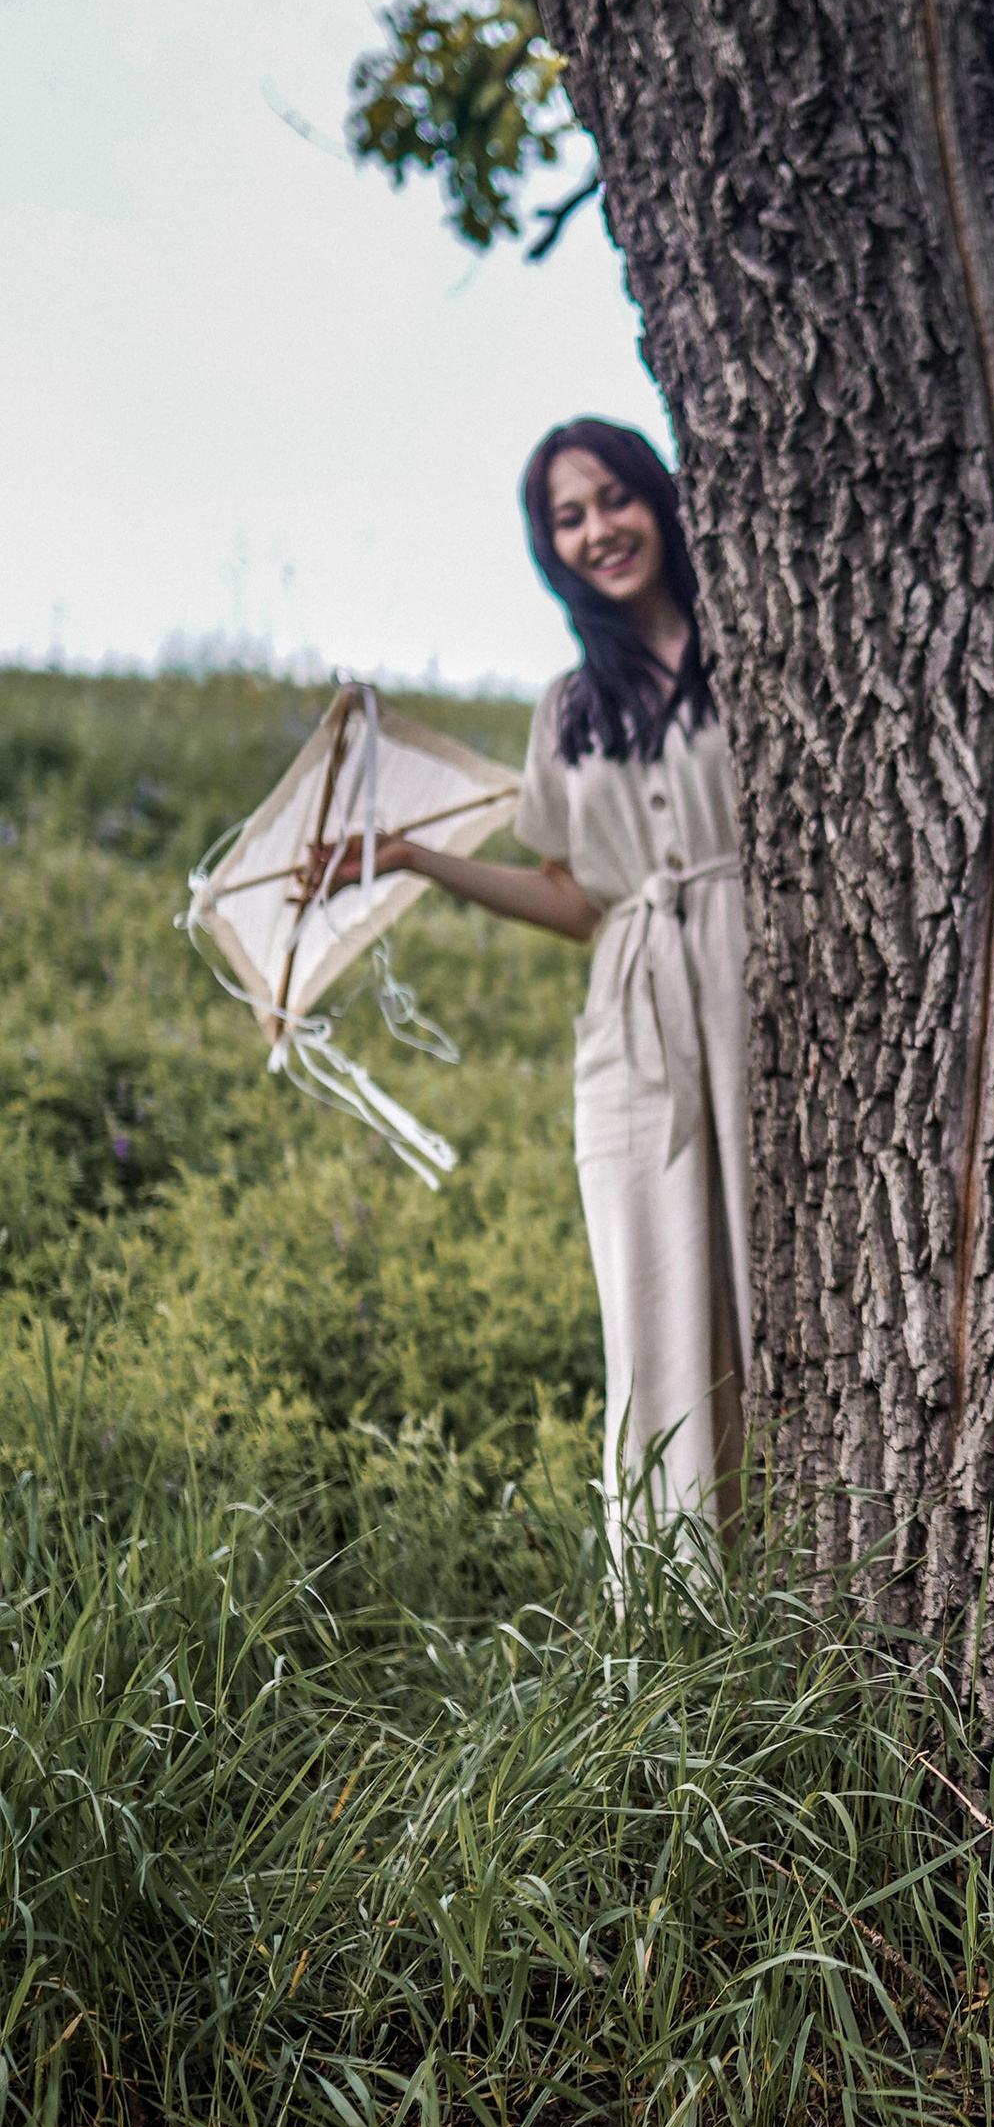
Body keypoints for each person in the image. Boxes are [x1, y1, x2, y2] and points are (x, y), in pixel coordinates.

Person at [310, 418, 749, 1547]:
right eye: (570, 516)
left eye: (614, 498)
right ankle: (674, 1614)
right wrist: (412, 859)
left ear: (658, 498)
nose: (599, 529)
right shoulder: (568, 707)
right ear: (550, 548)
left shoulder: (747, 647)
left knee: (769, 1292)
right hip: (633, 1033)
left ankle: (805, 1576)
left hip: (759, 1007)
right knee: (653, 1319)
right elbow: (576, 899)